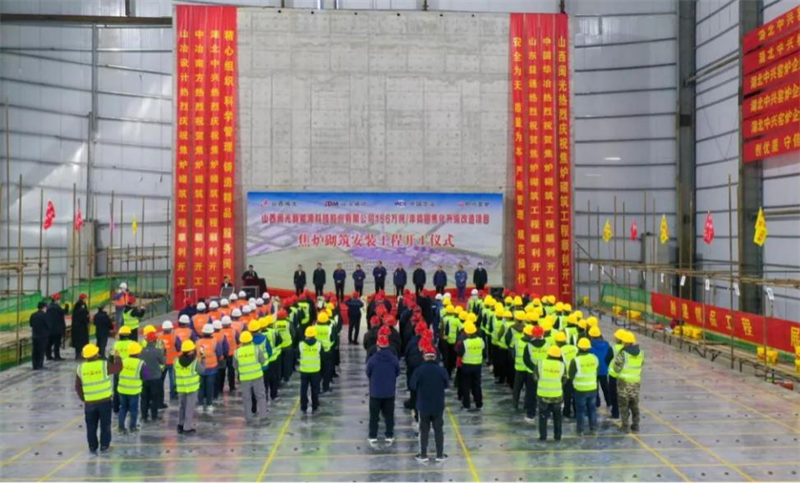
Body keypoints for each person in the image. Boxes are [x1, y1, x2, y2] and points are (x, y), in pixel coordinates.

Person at [75, 343, 121, 454]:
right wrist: (117, 357)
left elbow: (78, 386)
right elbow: (118, 368)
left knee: (91, 426)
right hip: (104, 401)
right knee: (105, 424)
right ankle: (104, 445)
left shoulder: (81, 368)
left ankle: (92, 446)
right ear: (96, 354)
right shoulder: (103, 365)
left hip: (89, 403)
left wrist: (84, 398)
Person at [411, 345, 449, 464]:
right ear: (435, 356)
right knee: (438, 430)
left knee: (424, 431)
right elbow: (446, 384)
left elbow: (412, 385)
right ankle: (440, 455)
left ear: (424, 356)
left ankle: (423, 455)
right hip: (438, 405)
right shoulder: (441, 370)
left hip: (423, 406)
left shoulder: (419, 371)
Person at [366, 335, 400, 446]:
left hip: (375, 393)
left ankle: (373, 436)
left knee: (374, 416)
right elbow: (397, 372)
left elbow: (368, 372)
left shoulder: (373, 360)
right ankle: (389, 435)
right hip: (389, 392)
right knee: (389, 415)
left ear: (378, 345)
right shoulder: (393, 359)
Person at [234, 331, 268, 423]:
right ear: (251, 340)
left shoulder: (237, 352)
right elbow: (262, 361)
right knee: (260, 396)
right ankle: (263, 417)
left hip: (245, 378)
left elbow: (235, 366)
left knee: (246, 398)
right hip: (257, 376)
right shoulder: (256, 349)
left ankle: (248, 418)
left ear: (241, 341)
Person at [614, 331, 644, 433]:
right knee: (634, 405)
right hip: (635, 383)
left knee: (623, 405)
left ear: (625, 342)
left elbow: (616, 368)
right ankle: (636, 424)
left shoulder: (623, 354)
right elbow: (641, 364)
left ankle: (625, 426)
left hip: (624, 384)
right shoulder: (641, 353)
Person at [536, 346, 566, 441]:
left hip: (543, 394)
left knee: (543, 416)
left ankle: (543, 436)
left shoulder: (541, 363)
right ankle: (557, 436)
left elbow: (535, 377)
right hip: (557, 395)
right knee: (557, 417)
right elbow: (564, 379)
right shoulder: (562, 365)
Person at [116, 342, 147, 434]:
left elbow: (117, 374)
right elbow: (146, 376)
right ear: (138, 352)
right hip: (134, 391)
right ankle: (132, 426)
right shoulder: (141, 363)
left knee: (123, 408)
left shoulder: (123, 361)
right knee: (133, 409)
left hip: (122, 389)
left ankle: (121, 427)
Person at [175, 340, 205, 435]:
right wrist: (203, 359)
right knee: (189, 408)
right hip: (191, 388)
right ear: (190, 351)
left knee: (182, 407)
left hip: (181, 388)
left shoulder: (176, 361)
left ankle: (180, 425)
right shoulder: (195, 362)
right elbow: (202, 370)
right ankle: (187, 428)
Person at [571, 338, 599, 435]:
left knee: (580, 411)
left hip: (580, 389)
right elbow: (596, 370)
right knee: (592, 409)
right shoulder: (594, 358)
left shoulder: (575, 360)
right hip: (592, 388)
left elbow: (571, 375)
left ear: (578, 347)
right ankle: (593, 428)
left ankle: (580, 430)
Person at [140, 327, 165, 423]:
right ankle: (154, 416)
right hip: (155, 376)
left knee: (144, 397)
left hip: (145, 375)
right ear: (155, 340)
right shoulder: (158, 351)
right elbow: (163, 362)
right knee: (154, 397)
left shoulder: (141, 351)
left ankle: (144, 416)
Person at [457, 322, 484, 411]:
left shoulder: (465, 343)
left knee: (466, 385)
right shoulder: (480, 340)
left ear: (467, 333)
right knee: (477, 385)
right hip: (478, 365)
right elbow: (483, 350)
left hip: (467, 366)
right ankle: (479, 403)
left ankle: (466, 404)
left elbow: (459, 353)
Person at [196, 324, 223, 413]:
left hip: (201, 368)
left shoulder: (198, 342)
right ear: (212, 332)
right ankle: (209, 404)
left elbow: (199, 354)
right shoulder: (215, 342)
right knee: (210, 387)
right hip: (212, 368)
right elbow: (219, 354)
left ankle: (200, 404)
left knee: (200, 387)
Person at [299, 326, 322, 414]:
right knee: (315, 389)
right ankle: (315, 405)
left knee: (303, 389)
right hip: (315, 371)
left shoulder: (301, 344)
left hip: (304, 370)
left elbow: (298, 355)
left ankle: (303, 406)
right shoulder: (318, 344)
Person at [589, 327, 613, 409]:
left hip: (594, 370)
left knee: (595, 388)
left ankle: (597, 402)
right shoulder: (606, 344)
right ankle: (609, 402)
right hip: (604, 369)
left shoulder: (590, 346)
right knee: (605, 387)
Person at [159, 321, 181, 405]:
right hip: (172, 362)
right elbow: (179, 348)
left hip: (162, 362)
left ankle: (160, 396)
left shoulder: (159, 337)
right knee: (173, 380)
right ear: (171, 328)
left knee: (161, 380)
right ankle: (172, 395)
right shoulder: (174, 337)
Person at [316, 312, 335, 393]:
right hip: (326, 351)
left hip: (316, 352)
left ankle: (317, 388)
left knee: (317, 371)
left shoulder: (314, 328)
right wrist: (329, 346)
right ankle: (325, 387)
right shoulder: (329, 328)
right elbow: (333, 339)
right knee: (326, 371)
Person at [45, 295, 67, 361]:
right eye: (59, 299)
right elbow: (64, 312)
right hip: (57, 329)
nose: (59, 301)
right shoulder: (57, 307)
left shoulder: (48, 307)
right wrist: (67, 306)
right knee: (57, 343)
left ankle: (48, 356)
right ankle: (57, 356)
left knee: (49, 343)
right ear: (56, 300)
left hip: (50, 329)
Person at [29, 302, 49, 370]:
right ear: (44, 307)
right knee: (41, 351)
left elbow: (31, 324)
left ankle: (35, 365)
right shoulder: (45, 315)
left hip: (35, 335)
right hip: (43, 336)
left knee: (35, 351)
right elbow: (48, 325)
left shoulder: (33, 315)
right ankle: (40, 365)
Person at [71, 294, 90, 360]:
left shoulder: (77, 305)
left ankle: (78, 354)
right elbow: (83, 315)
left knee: (78, 341)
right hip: (81, 327)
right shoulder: (82, 306)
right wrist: (87, 318)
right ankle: (80, 354)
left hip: (76, 326)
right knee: (81, 341)